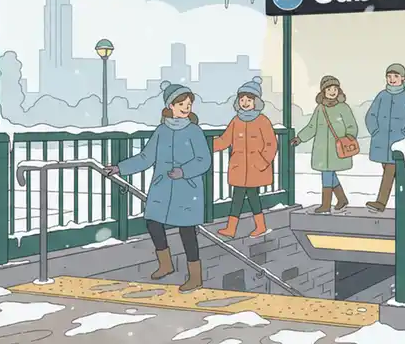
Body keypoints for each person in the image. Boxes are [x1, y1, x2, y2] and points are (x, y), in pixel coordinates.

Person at [104, 81, 211, 293]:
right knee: (153, 222)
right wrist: (120, 168)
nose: (186, 107)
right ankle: (165, 263)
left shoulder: (194, 131)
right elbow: (146, 157)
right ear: (170, 106)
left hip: (186, 190)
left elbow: (204, 160)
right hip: (162, 188)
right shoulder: (161, 131)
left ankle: (195, 276)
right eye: (181, 103)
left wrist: (184, 172)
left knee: (187, 231)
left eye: (188, 103)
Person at [213, 77, 278, 238]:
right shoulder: (236, 121)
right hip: (239, 168)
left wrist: (262, 161)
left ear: (256, 102)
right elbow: (224, 140)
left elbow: (271, 144)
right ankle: (232, 228)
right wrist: (207, 146)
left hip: (255, 168)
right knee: (237, 198)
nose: (245, 102)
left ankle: (259, 226)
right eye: (242, 99)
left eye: (249, 99)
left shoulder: (263, 121)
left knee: (253, 197)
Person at [364, 63, 405, 213]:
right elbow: (371, 114)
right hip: (381, 142)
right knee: (395, 173)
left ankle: (380, 203)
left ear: (403, 78)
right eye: (389, 76)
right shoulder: (382, 95)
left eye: (395, 76)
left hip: (399, 143)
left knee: (390, 170)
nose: (392, 79)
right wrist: (374, 130)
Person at [291, 75, 359, 213]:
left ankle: (326, 204)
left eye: (335, 88)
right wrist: (299, 138)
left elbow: (352, 125)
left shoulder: (343, 107)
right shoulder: (320, 109)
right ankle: (341, 199)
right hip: (322, 149)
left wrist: (349, 135)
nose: (332, 91)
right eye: (329, 88)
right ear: (323, 91)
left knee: (327, 174)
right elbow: (312, 127)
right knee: (329, 174)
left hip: (337, 148)